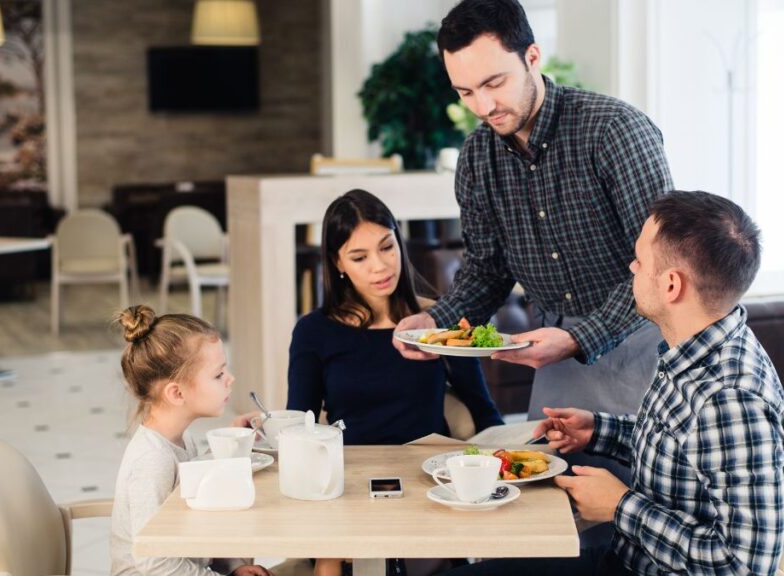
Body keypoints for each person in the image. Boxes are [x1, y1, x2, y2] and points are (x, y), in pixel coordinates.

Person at [393, 0, 673, 545]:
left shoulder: (615, 131)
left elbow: (664, 268)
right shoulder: (476, 159)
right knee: (555, 529)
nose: (483, 105)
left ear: (532, 56)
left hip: (650, 347)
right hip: (557, 359)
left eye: (494, 82)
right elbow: (486, 270)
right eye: (465, 92)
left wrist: (575, 337)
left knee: (645, 524)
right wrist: (436, 322)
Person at [444, 191, 784, 575]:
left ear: (671, 285)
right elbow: (684, 450)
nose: (631, 269)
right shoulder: (700, 347)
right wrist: (599, 430)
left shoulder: (730, 400)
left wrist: (620, 506)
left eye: (638, 260)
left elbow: (744, 568)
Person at [286, 189, 503, 576]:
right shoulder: (313, 332)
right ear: (337, 263)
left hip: (431, 481)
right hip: (350, 485)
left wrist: (511, 464)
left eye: (387, 247)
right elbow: (298, 425)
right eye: (359, 256)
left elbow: (484, 414)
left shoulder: (436, 323)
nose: (380, 266)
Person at [109, 305, 273, 576]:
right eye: (218, 374)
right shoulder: (152, 460)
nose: (230, 379)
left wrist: (234, 567)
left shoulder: (183, 440)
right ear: (176, 393)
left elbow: (197, 528)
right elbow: (155, 564)